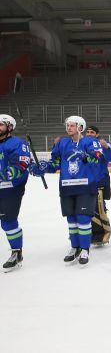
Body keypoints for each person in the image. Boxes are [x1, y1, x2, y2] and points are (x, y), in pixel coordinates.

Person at [29, 116, 103, 266]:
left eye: (72, 125)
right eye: (67, 125)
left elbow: (97, 159)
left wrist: (84, 155)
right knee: (71, 219)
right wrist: (43, 167)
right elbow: (55, 163)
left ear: (80, 127)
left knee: (83, 218)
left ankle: (84, 249)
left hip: (85, 186)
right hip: (67, 186)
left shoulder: (90, 141)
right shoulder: (62, 143)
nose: (68, 127)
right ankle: (75, 247)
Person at [0, 114, 30, 272]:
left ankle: (16, 253)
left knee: (8, 222)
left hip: (10, 189)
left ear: (9, 127)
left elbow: (20, 166)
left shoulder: (17, 143)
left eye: (0, 125)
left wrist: (4, 174)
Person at [85, 126, 111, 245]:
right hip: (85, 182)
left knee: (99, 207)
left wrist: (106, 147)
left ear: (97, 134)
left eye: (92, 132)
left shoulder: (103, 145)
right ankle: (85, 232)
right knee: (84, 207)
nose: (89, 134)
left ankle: (101, 234)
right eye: (87, 132)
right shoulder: (81, 145)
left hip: (100, 181)